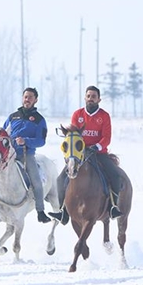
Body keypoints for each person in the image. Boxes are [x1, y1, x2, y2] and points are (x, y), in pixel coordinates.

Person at [0, 87, 52, 224]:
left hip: (25, 155)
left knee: (36, 181)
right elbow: (2, 133)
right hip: (7, 155)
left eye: (30, 97)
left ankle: (40, 211)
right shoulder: (13, 116)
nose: (27, 99)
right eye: (25, 97)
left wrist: (26, 141)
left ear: (36, 100)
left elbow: (41, 141)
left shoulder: (39, 120)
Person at [47, 85, 123, 224]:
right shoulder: (78, 114)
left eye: (93, 97)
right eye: (88, 96)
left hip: (99, 153)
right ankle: (62, 211)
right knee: (60, 180)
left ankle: (113, 207)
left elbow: (107, 138)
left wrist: (96, 146)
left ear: (99, 99)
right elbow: (74, 135)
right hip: (79, 154)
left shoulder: (104, 116)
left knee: (115, 176)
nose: (90, 99)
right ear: (85, 98)